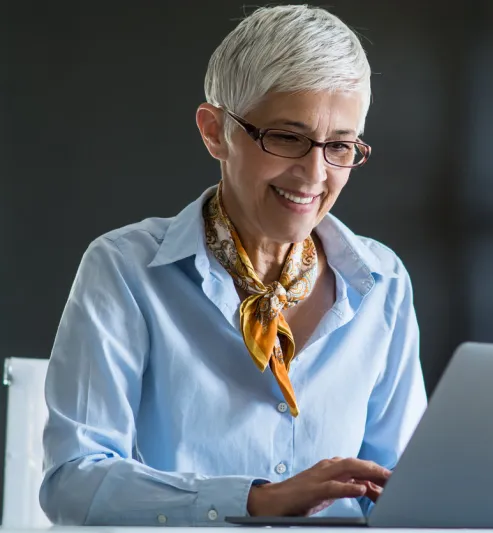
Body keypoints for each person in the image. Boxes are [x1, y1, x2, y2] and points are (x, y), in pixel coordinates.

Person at [39, 4, 426, 526]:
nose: (314, 174)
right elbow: (73, 481)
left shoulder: (384, 282)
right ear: (215, 130)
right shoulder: (125, 270)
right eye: (287, 137)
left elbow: (403, 487)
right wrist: (258, 500)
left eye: (339, 146)